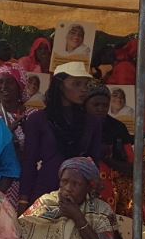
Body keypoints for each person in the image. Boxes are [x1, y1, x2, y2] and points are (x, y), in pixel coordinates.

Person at [18, 61, 102, 213]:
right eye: (77, 84)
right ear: (60, 85)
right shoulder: (38, 120)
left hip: (79, 196)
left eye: (85, 85)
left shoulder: (92, 122)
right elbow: (29, 162)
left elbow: (94, 162)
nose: (83, 90)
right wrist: (23, 201)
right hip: (45, 193)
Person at [84, 83, 134, 212]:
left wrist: (107, 159)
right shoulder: (77, 126)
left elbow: (132, 167)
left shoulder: (118, 127)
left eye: (105, 105)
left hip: (114, 194)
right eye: (96, 105)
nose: (101, 108)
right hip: (81, 188)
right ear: (85, 104)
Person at [0, 62, 38, 204]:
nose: (3, 87)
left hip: (26, 182)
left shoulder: (34, 115)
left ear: (20, 85)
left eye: (9, 82)